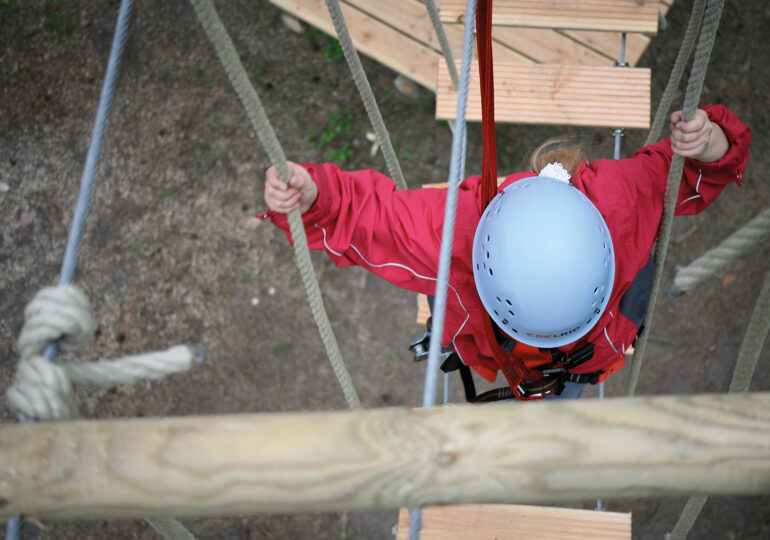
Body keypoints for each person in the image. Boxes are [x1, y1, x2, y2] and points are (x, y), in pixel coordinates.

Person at [261, 104, 751, 400]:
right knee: (556, 395)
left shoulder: (621, 203)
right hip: (519, 352)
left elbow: (681, 168)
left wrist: (709, 142)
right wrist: (315, 197)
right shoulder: (456, 234)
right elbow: (372, 215)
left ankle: (557, 401)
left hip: (584, 354)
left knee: (565, 395)